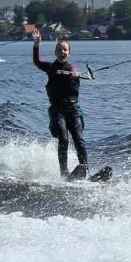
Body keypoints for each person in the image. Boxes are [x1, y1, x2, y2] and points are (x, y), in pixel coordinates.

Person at [31, 31, 93, 178]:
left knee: (79, 140)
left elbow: (74, 71)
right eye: (59, 50)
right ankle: (64, 174)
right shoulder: (50, 68)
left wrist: (75, 75)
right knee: (63, 140)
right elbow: (37, 62)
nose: (62, 52)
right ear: (55, 53)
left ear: (69, 53)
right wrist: (36, 45)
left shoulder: (73, 69)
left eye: (65, 50)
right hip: (57, 111)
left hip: (73, 110)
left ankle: (86, 171)